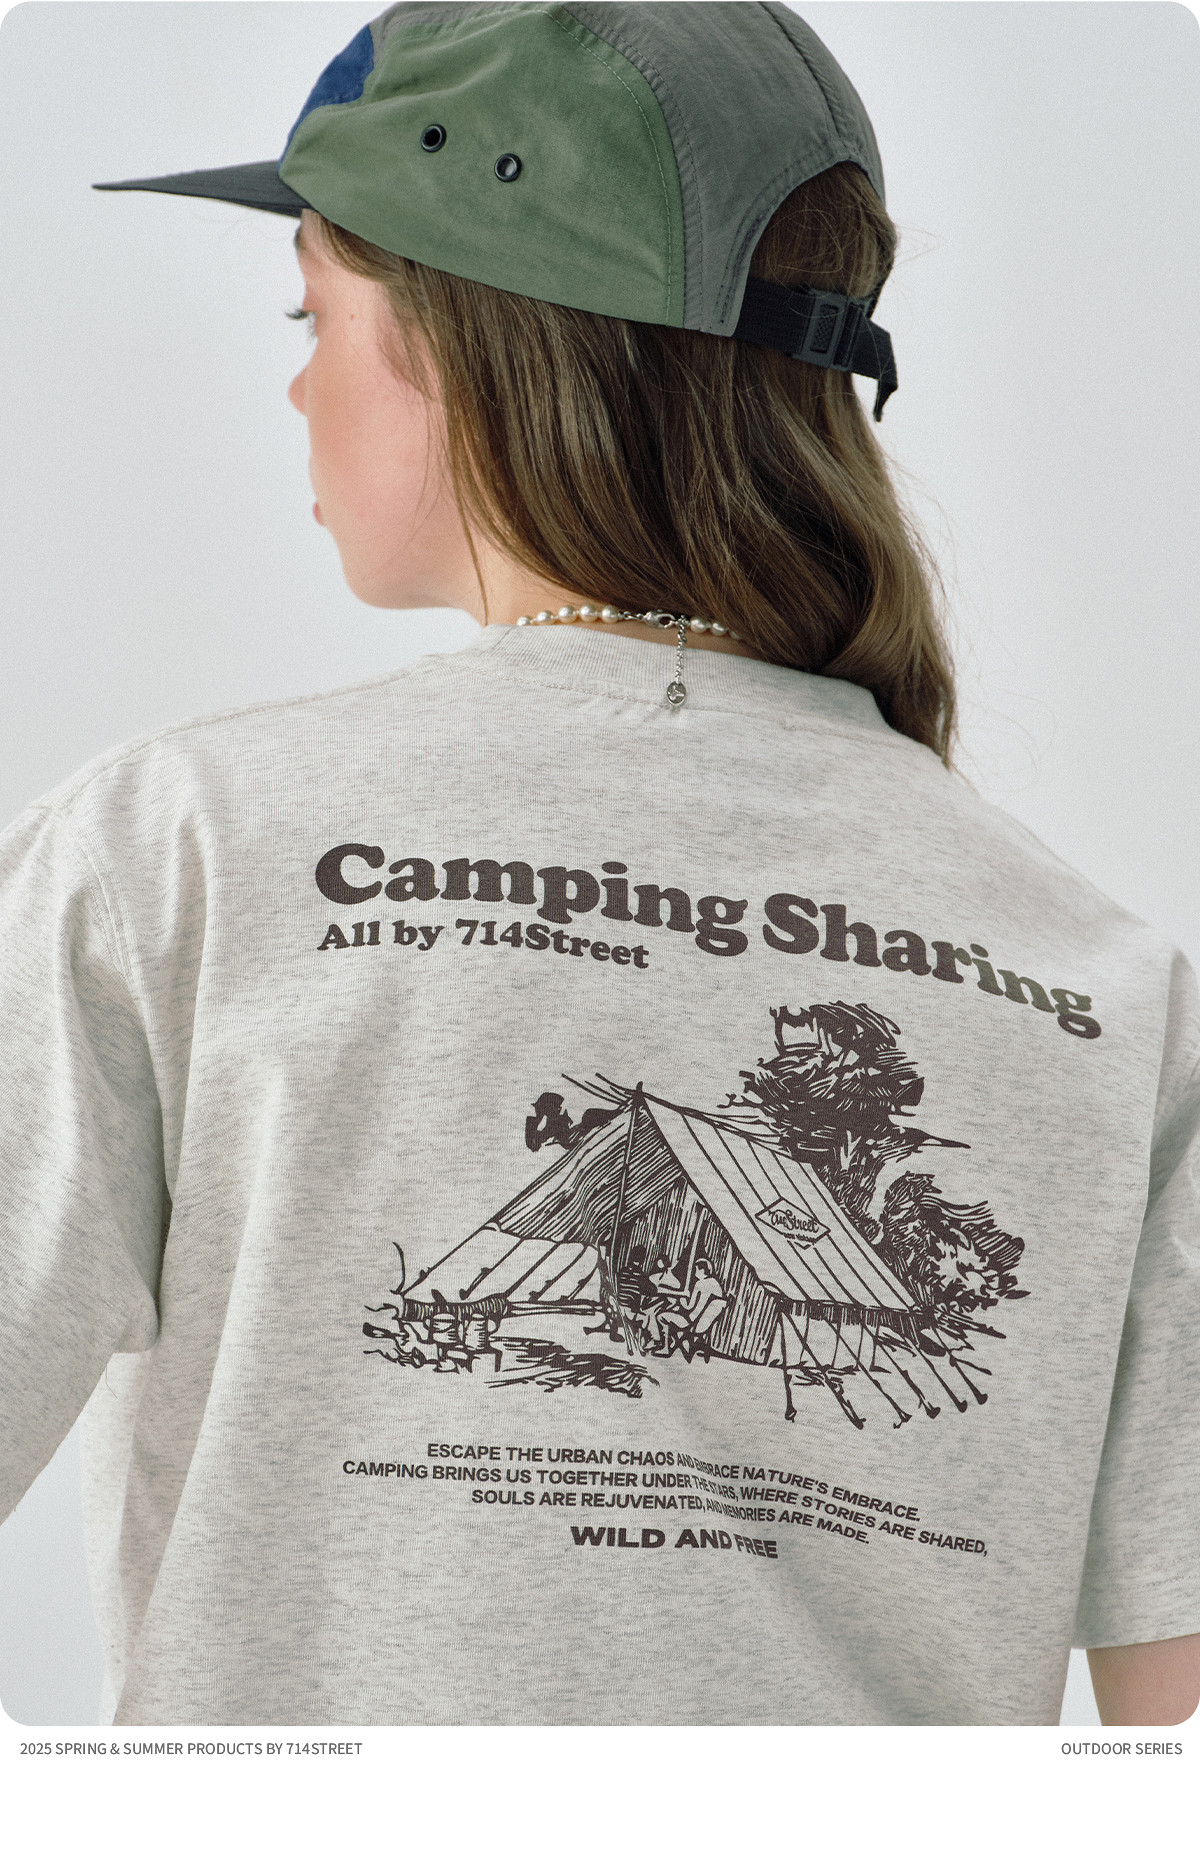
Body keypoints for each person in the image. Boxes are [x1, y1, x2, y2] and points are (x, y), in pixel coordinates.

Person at [1, 3, 1196, 1728]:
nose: (296, 385)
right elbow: (1177, 1717)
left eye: (314, 314)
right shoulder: (1106, 987)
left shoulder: (179, 854)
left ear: (469, 341)